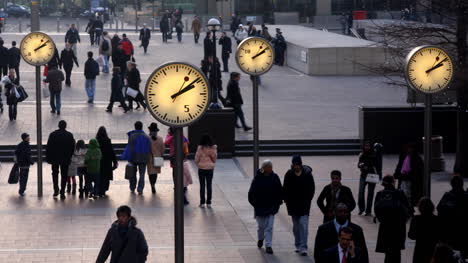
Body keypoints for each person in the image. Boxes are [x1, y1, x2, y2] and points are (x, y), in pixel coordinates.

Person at [374, 175, 412, 263]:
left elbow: (376, 210)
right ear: (393, 182)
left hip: (385, 227)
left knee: (388, 253)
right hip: (398, 227)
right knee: (396, 252)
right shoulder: (400, 193)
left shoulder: (380, 194)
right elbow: (408, 210)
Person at [248, 160, 283, 254]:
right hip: (260, 207)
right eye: (270, 167)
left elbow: (280, 191)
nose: (272, 169)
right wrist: (255, 204)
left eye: (271, 167)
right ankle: (260, 239)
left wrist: (278, 203)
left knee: (269, 227)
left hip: (271, 207)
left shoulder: (275, 177)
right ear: (265, 168)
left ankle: (268, 245)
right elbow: (251, 193)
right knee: (261, 227)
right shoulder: (257, 178)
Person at [283, 155, 315, 256]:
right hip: (293, 205)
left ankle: (303, 247)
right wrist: (286, 200)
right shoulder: (289, 174)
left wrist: (308, 200)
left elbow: (312, 188)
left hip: (304, 205)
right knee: (296, 227)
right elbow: (285, 188)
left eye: (298, 164)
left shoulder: (307, 174)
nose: (296, 166)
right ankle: (297, 244)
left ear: (300, 164)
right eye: (294, 164)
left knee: (304, 225)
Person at [437, 175, 468, 253]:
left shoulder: (447, 196)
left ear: (451, 184)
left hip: (449, 233)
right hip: (463, 232)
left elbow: (439, 210)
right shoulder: (466, 197)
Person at [46, 120, 76, 199]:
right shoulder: (69, 135)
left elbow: (48, 147)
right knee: (64, 175)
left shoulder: (53, 135)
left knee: (55, 173)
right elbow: (73, 147)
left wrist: (49, 157)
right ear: (65, 126)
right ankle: (62, 191)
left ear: (58, 126)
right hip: (65, 158)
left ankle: (56, 190)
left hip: (55, 158)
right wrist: (70, 156)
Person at [121, 121, 151, 195]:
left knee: (132, 174)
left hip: (133, 158)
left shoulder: (132, 136)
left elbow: (130, 147)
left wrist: (128, 157)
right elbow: (149, 149)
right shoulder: (147, 137)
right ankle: (140, 189)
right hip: (143, 158)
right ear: (142, 126)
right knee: (142, 174)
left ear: (135, 127)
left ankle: (132, 187)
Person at [408, 197, 440, 263]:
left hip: (420, 249)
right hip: (433, 249)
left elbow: (411, 236)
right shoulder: (436, 220)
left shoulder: (416, 219)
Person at [195, 134, 217, 207]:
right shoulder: (213, 148)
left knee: (202, 185)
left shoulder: (200, 148)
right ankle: (209, 203)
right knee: (209, 185)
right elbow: (214, 159)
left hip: (201, 168)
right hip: (210, 169)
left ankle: (202, 203)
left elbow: (197, 158)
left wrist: (198, 164)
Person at [96, 126, 117, 197]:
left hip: (99, 161)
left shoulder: (96, 140)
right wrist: (115, 161)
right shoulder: (108, 140)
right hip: (107, 161)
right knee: (106, 176)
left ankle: (99, 189)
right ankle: (104, 190)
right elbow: (111, 152)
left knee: (99, 176)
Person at [357, 141, 377, 216]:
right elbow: (358, 165)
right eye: (365, 146)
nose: (367, 147)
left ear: (371, 147)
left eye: (368, 146)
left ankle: (368, 210)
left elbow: (377, 165)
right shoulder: (362, 155)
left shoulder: (374, 155)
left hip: (371, 175)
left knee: (370, 194)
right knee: (361, 192)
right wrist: (361, 165)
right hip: (363, 175)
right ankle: (361, 209)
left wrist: (368, 167)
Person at [147, 123, 164, 194]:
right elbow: (163, 149)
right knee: (156, 173)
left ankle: (152, 185)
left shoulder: (147, 138)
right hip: (158, 157)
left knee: (151, 173)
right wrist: (161, 155)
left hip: (150, 158)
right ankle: (154, 184)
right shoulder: (160, 139)